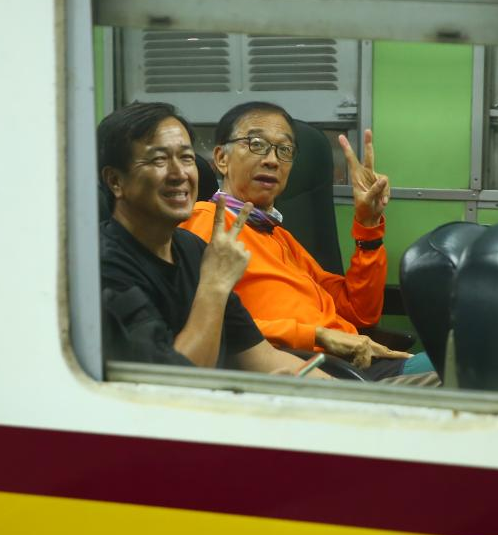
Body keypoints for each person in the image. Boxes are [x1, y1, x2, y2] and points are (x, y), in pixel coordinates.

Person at [181, 102, 436, 383]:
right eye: (256, 144)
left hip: (360, 364)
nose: (272, 160)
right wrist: (317, 335)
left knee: (463, 355)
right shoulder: (204, 221)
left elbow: (360, 314)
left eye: (284, 150)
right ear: (221, 158)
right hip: (315, 373)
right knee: (465, 369)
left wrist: (368, 226)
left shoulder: (278, 236)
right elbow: (203, 325)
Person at [97, 101, 331, 378]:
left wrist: (359, 396)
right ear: (115, 181)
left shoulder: (192, 248)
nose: (180, 174)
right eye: (159, 160)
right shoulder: (105, 267)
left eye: (186, 158)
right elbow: (174, 382)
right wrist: (215, 285)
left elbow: (261, 356)